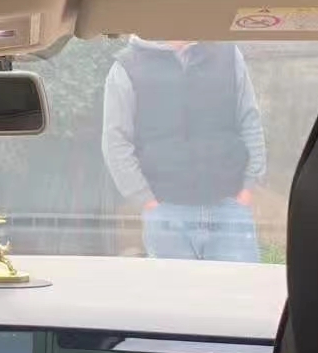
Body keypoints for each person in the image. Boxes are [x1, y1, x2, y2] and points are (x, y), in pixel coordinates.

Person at [102, 39, 266, 261]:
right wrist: (146, 201)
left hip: (229, 208)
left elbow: (250, 120)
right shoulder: (127, 66)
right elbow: (116, 141)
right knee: (175, 286)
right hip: (166, 213)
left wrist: (248, 188)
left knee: (238, 284)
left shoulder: (228, 53)